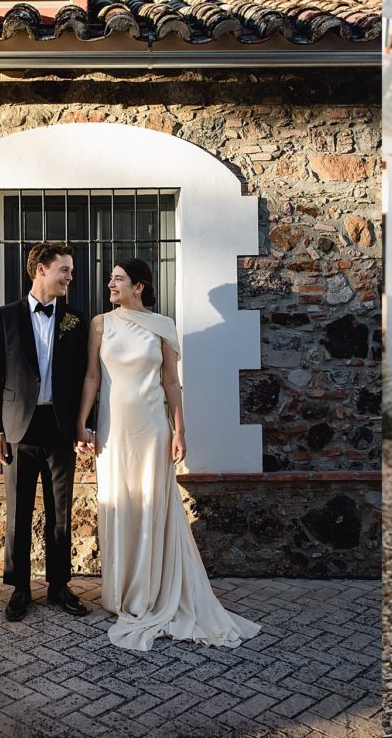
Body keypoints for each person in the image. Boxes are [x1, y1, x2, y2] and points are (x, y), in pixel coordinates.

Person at [75, 258, 261, 651]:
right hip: (113, 430)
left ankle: (151, 591)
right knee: (118, 502)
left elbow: (172, 383)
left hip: (152, 429)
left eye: (118, 278)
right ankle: (122, 593)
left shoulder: (163, 326)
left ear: (138, 286)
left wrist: (180, 430)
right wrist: (82, 422)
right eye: (110, 278)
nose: (110, 283)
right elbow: (92, 376)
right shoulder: (99, 324)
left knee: (152, 504)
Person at [0, 242, 91, 622]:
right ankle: (20, 588)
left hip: (61, 428)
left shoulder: (76, 319)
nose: (70, 276)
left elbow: (86, 378)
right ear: (40, 270)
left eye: (71, 270)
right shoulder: (5, 317)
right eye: (64, 269)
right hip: (18, 429)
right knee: (19, 511)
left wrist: (84, 424)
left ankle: (59, 586)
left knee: (61, 512)